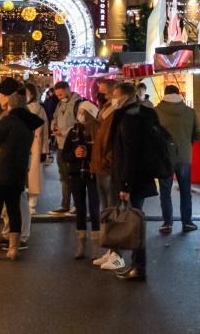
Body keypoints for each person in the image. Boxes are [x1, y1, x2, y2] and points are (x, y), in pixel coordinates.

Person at [0, 77, 43, 261]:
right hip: (17, 172)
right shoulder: (28, 123)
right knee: (14, 210)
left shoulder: (9, 120)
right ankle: (13, 249)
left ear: (10, 104)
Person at [112, 82, 159, 282]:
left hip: (134, 179)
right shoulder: (139, 112)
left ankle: (138, 267)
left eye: (114, 95)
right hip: (139, 177)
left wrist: (126, 185)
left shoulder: (129, 118)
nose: (112, 99)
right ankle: (136, 265)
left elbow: (130, 154)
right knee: (136, 220)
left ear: (123, 96)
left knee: (135, 223)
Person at [156, 85, 200, 234]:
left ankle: (167, 223)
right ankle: (187, 222)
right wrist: (186, 141)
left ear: (165, 94)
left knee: (165, 191)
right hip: (184, 156)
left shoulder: (156, 112)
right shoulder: (190, 112)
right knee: (185, 191)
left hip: (164, 158)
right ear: (179, 94)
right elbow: (198, 133)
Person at [91, 80, 125, 270]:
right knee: (106, 210)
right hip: (101, 165)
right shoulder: (106, 109)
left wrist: (107, 160)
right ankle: (112, 250)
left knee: (112, 209)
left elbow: (115, 141)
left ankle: (117, 253)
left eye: (105, 91)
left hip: (108, 167)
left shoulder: (117, 113)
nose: (102, 94)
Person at [63, 100, 101, 259]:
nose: (80, 114)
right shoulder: (73, 132)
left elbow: (103, 154)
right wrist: (74, 154)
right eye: (79, 111)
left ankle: (96, 247)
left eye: (83, 112)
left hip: (93, 174)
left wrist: (89, 153)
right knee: (79, 208)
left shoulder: (99, 131)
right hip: (76, 173)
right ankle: (81, 244)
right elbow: (64, 154)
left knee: (94, 208)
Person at [49, 81, 82, 215]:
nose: (59, 97)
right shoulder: (60, 104)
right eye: (57, 95)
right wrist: (54, 127)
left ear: (68, 89)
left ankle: (77, 204)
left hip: (72, 146)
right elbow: (54, 118)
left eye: (61, 94)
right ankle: (65, 204)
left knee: (74, 176)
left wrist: (62, 131)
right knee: (63, 177)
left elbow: (79, 124)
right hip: (61, 145)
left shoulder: (78, 104)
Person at [24, 83, 49, 215]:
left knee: (33, 175)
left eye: (26, 93)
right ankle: (27, 204)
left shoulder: (40, 110)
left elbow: (45, 132)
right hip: (25, 145)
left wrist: (44, 150)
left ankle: (32, 203)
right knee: (25, 175)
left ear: (32, 94)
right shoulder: (21, 109)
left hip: (34, 145)